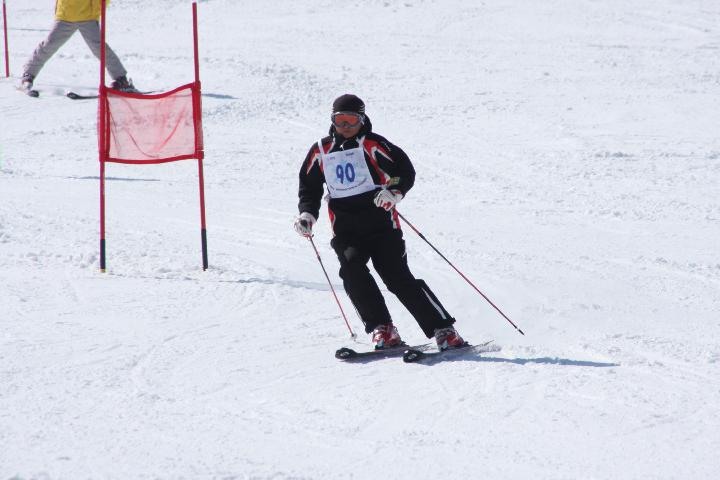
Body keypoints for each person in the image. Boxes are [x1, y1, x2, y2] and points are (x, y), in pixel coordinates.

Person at [294, 94, 466, 351]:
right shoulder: (321, 150)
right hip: (346, 229)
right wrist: (307, 214)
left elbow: (403, 171)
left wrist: (394, 192)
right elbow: (309, 186)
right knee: (352, 272)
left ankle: (444, 330)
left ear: (362, 120)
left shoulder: (374, 144)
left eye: (351, 120)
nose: (345, 127)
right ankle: (382, 328)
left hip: (382, 226)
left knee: (396, 276)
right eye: (340, 120)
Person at [20, 0, 137, 94]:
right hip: (66, 15)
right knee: (49, 45)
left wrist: (98, 8)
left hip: (87, 16)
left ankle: (121, 79)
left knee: (100, 48)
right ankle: (28, 74)